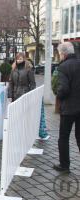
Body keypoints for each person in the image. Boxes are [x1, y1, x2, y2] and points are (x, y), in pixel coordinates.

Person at [53, 42, 80, 173]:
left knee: (64, 137)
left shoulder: (63, 67)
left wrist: (58, 94)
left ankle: (64, 166)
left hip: (68, 108)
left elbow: (64, 89)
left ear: (63, 53)